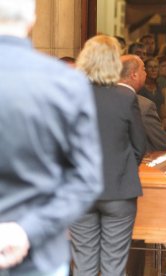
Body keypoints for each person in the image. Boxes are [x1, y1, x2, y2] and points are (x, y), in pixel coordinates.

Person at [0, 0, 103, 274]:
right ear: (33, 19)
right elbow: (86, 178)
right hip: (41, 251)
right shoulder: (66, 82)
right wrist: (27, 230)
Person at [70, 35, 147, 276]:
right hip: (119, 190)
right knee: (114, 266)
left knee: (83, 265)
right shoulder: (126, 97)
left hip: (81, 189)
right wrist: (124, 169)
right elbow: (139, 145)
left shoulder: (71, 95)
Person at [119, 54, 166, 152]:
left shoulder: (101, 99)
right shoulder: (144, 106)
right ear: (134, 75)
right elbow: (161, 143)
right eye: (143, 69)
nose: (145, 73)